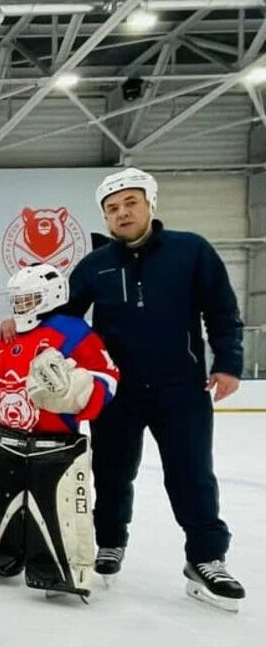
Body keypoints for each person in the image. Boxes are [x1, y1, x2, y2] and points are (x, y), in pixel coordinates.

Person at [54, 168, 244, 610]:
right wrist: (24, 328)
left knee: (192, 475)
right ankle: (110, 542)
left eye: (130, 204)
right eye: (112, 209)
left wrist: (230, 363)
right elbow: (63, 316)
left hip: (181, 388)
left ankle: (206, 558)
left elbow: (222, 310)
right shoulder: (95, 264)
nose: (122, 214)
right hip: (118, 391)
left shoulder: (190, 250)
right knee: (113, 472)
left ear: (150, 205)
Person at [0, 264, 118, 598]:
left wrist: (78, 390)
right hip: (7, 438)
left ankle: (60, 565)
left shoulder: (73, 331)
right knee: (0, 501)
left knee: (53, 506)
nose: (20, 306)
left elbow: (107, 376)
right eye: (16, 299)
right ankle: (0, 552)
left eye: (29, 298)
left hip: (53, 440)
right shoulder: (6, 336)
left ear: (52, 296)